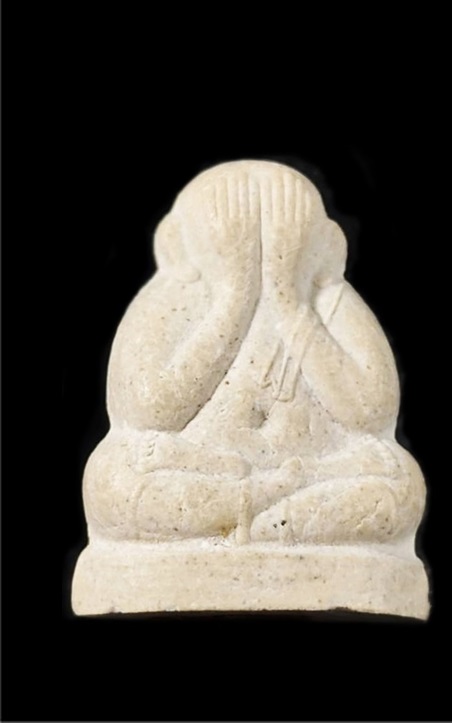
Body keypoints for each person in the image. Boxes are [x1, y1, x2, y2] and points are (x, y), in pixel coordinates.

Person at [83, 161, 425, 546]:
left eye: (280, 233)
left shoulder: (329, 301)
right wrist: (235, 297)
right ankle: (257, 512)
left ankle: (274, 520)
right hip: (201, 472)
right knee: (110, 478)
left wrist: (289, 302)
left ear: (329, 248)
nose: (260, 249)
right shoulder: (170, 300)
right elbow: (150, 410)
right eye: (239, 233)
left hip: (317, 474)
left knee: (399, 479)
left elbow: (371, 411)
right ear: (175, 246)